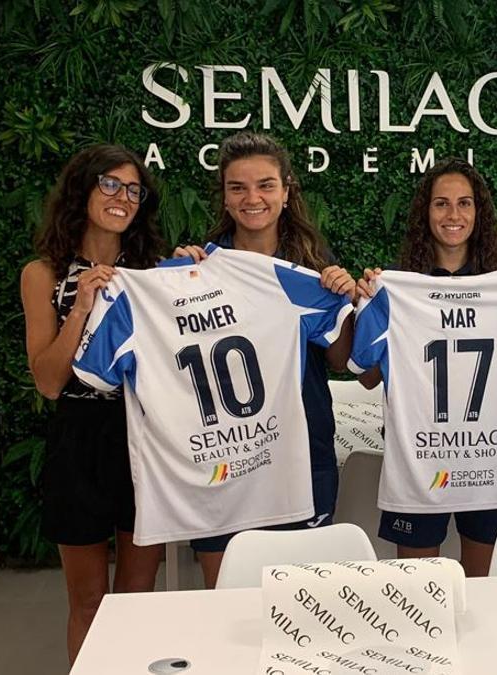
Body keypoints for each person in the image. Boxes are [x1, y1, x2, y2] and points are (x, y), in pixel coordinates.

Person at [173, 131, 357, 589]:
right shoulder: (199, 267)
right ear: (224, 195)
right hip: (226, 450)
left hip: (302, 445)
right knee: (226, 594)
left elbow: (338, 360)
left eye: (265, 185)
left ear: (286, 190)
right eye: (238, 187)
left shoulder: (312, 264)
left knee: (300, 593)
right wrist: (174, 283)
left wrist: (344, 299)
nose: (252, 198)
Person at [20, 144, 166, 663]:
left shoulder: (152, 270)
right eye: (109, 184)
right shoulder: (44, 273)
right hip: (79, 436)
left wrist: (196, 268)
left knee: (137, 597)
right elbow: (49, 382)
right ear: (82, 189)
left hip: (145, 436)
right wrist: (82, 303)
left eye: (132, 189)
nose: (121, 197)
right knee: (88, 601)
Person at [355, 157, 497, 577]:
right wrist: (369, 307)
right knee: (417, 593)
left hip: (489, 461)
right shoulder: (396, 288)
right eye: (441, 204)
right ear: (425, 213)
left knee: (485, 593)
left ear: (478, 214)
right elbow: (369, 375)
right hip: (419, 461)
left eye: (465, 204)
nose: (453, 215)